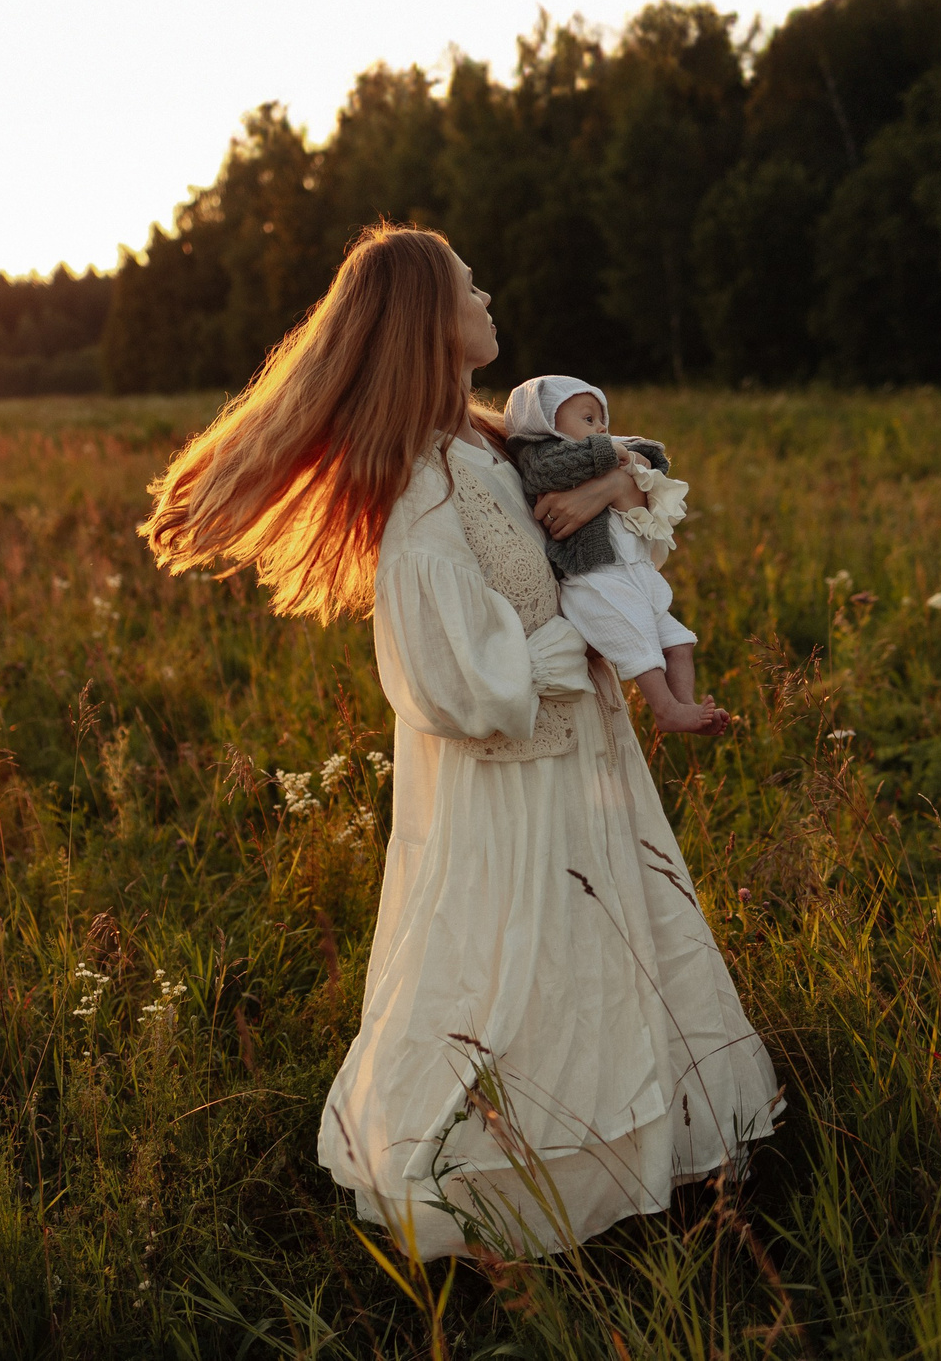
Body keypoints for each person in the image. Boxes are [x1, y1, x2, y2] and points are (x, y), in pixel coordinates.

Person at [138, 223, 780, 1258]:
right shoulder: (422, 489)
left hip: (586, 765)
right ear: (426, 322)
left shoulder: (496, 443)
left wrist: (616, 493)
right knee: (518, 976)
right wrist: (575, 649)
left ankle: (634, 1170)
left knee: (606, 963)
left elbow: (623, 526)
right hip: (514, 789)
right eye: (467, 285)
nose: (486, 294)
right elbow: (450, 684)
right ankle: (511, 1196)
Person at [502, 373, 722, 735]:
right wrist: (614, 456)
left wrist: (630, 455)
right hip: (597, 580)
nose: (602, 428)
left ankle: (685, 706)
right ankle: (664, 709)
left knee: (679, 642)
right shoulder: (540, 454)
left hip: (637, 574)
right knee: (640, 645)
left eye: (602, 419)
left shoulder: (598, 448)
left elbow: (654, 456)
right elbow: (551, 469)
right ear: (544, 424)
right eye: (588, 419)